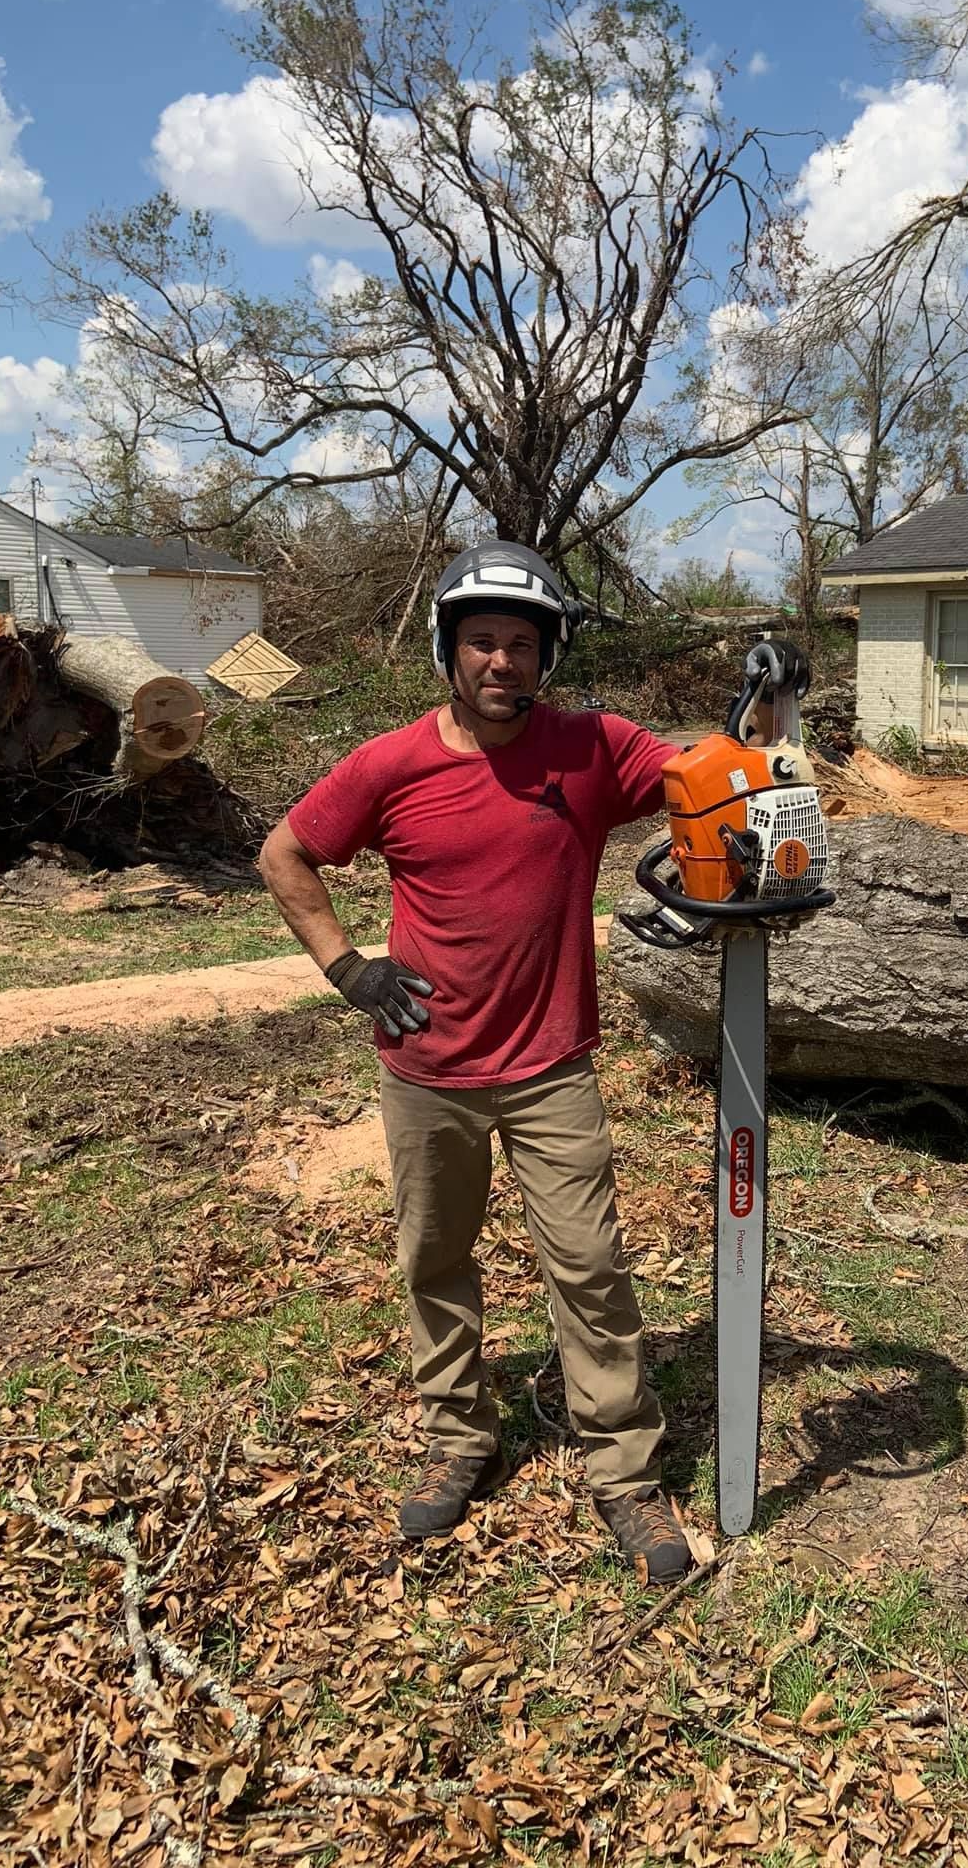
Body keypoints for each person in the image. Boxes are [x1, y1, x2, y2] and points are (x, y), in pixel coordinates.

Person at [260, 541, 801, 1584]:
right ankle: (462, 1435)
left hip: (552, 1064)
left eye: (519, 642)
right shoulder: (388, 765)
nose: (499, 661)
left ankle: (624, 1471)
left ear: (545, 653)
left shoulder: (590, 749)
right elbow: (285, 852)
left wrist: (768, 708)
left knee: (590, 1268)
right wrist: (346, 967)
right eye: (480, 642)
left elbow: (718, 774)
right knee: (435, 1261)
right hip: (426, 1070)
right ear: (448, 651)